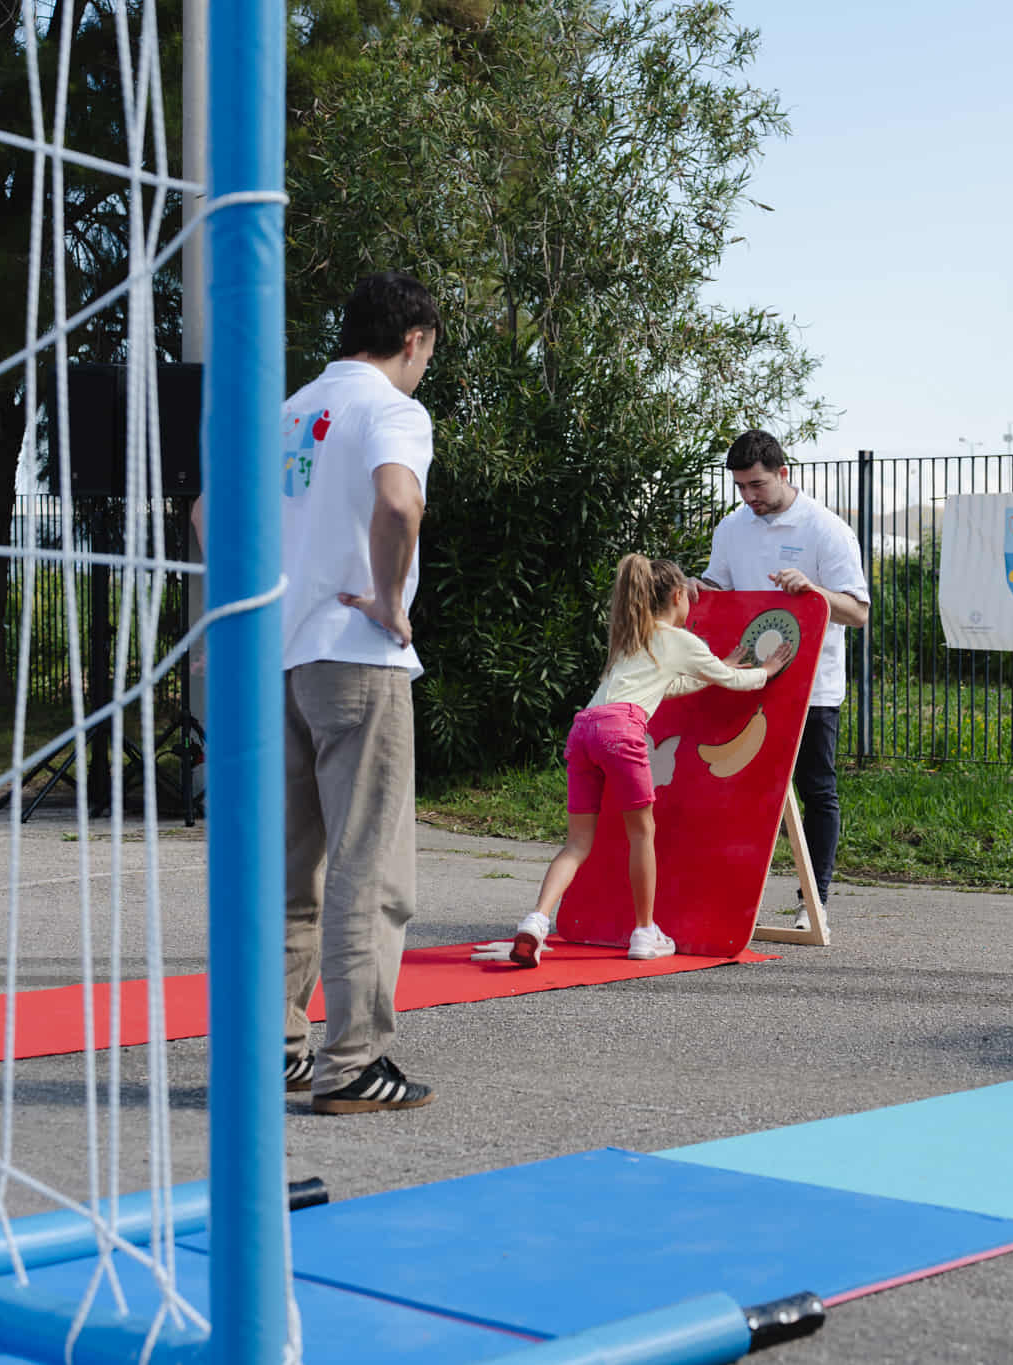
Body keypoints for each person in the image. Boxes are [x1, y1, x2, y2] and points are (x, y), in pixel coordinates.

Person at [274, 270, 440, 1115]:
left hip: (280, 658)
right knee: (370, 869)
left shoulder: (291, 411)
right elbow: (398, 502)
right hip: (356, 659)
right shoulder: (392, 409)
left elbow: (203, 518)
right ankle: (354, 1063)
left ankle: (283, 1051)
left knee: (293, 869)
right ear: (413, 340)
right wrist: (386, 596)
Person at [477, 555, 792, 968]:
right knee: (642, 835)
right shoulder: (679, 639)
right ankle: (645, 932)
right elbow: (733, 682)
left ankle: (535, 923)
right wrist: (765, 669)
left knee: (577, 843)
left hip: (584, 730)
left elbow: (669, 686)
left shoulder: (633, 639)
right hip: (621, 732)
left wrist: (717, 669)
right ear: (680, 596)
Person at [693, 431, 870, 930]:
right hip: (747, 679)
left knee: (816, 790)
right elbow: (719, 588)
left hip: (811, 686)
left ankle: (813, 901)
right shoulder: (732, 527)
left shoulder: (827, 530)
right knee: (737, 787)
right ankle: (728, 897)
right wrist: (695, 589)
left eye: (757, 485)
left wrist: (813, 590)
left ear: (783, 473)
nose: (749, 497)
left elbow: (857, 613)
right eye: (741, 487)